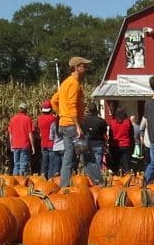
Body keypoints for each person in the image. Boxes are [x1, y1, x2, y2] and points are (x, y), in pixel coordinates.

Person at [55, 56, 90, 188]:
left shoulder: (65, 83)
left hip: (64, 124)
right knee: (87, 153)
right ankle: (99, 183)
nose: (86, 69)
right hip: (71, 125)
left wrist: (61, 115)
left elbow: (54, 100)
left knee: (68, 156)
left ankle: (64, 186)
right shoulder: (74, 84)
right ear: (76, 67)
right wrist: (77, 125)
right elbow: (72, 105)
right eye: (84, 66)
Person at [82, 100, 109, 185]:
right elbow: (104, 133)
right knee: (97, 163)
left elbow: (82, 132)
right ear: (96, 110)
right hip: (98, 143)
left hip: (87, 143)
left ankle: (88, 180)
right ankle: (97, 180)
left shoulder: (84, 120)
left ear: (88, 110)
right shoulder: (101, 121)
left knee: (88, 162)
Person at [7, 102, 35, 176]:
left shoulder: (12, 119)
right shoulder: (27, 119)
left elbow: (10, 134)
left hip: (15, 145)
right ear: (25, 110)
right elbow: (30, 133)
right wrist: (32, 146)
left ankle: (15, 182)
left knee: (16, 165)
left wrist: (11, 145)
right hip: (24, 145)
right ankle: (21, 183)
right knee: (23, 165)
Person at [108, 106, 134, 174]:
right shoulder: (127, 122)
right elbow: (131, 134)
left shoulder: (112, 122)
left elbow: (110, 135)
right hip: (126, 145)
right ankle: (126, 177)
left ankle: (116, 177)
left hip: (115, 145)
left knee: (115, 164)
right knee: (126, 165)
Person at [37, 100, 59, 179]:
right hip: (51, 143)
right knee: (51, 162)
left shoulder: (39, 118)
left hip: (43, 143)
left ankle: (43, 175)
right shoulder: (53, 119)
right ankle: (50, 178)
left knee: (44, 161)